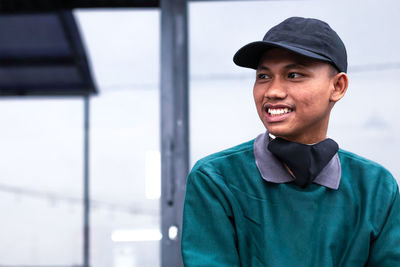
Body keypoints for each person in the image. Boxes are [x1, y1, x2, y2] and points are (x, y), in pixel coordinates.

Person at [181, 17, 400, 267]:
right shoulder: (217, 179)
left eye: (293, 75)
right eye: (263, 76)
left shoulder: (376, 187)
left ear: (338, 86)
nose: (272, 91)